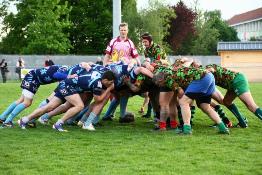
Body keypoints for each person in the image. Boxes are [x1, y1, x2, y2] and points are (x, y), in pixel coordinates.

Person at [0, 65, 69, 127]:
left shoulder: (66, 70)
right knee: (27, 102)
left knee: (21, 100)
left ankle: (2, 117)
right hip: (33, 78)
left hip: (34, 78)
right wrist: (69, 77)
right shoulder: (65, 69)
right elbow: (56, 75)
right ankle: (7, 122)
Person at [102, 22, 140, 122]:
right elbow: (107, 54)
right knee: (121, 93)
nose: (123, 32)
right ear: (119, 31)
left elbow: (136, 57)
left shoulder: (130, 43)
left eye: (125, 30)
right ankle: (120, 115)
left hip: (125, 71)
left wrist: (139, 65)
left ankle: (108, 115)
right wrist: (104, 65)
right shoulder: (113, 41)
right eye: (121, 30)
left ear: (127, 31)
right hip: (114, 70)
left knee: (121, 94)